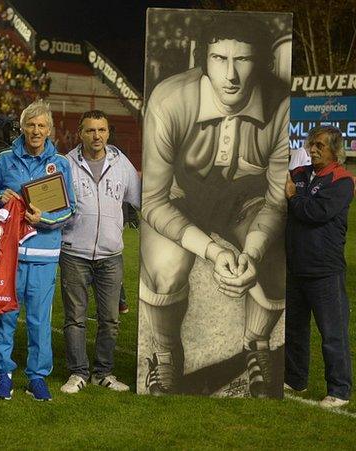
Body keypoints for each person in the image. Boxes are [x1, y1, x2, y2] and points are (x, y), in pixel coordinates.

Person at [140, 14, 289, 397]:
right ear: (202, 58)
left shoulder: (281, 107)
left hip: (244, 204)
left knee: (278, 257)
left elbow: (276, 200)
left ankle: (256, 344)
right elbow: (153, 200)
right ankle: (167, 354)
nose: (231, 74)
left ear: (262, 63)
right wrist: (210, 249)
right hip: (180, 201)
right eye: (220, 58)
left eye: (243, 60)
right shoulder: (170, 100)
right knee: (165, 267)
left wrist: (251, 253)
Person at [0, 100, 75, 401]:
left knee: (39, 321)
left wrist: (45, 219)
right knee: (5, 316)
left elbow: (70, 209)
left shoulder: (61, 164)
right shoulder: (4, 159)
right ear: (22, 127)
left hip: (44, 256)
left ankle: (37, 377)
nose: (36, 131)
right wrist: (0, 196)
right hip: (9, 254)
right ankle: (2, 374)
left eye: (41, 126)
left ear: (49, 130)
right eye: (31, 125)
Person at [59, 110, 140, 394]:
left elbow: (140, 198)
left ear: (108, 132)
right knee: (75, 319)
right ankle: (77, 373)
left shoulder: (122, 164)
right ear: (80, 133)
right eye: (91, 130)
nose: (97, 136)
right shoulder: (65, 164)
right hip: (74, 253)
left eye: (102, 130)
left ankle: (103, 373)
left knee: (110, 320)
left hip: (110, 255)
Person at [284, 125, 354, 408]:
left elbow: (316, 212)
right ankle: (296, 380)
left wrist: (292, 197)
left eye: (319, 146)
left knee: (332, 332)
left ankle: (339, 390)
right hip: (296, 266)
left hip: (325, 270)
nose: (312, 150)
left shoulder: (342, 180)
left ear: (335, 151)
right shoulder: (299, 174)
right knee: (295, 329)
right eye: (311, 144)